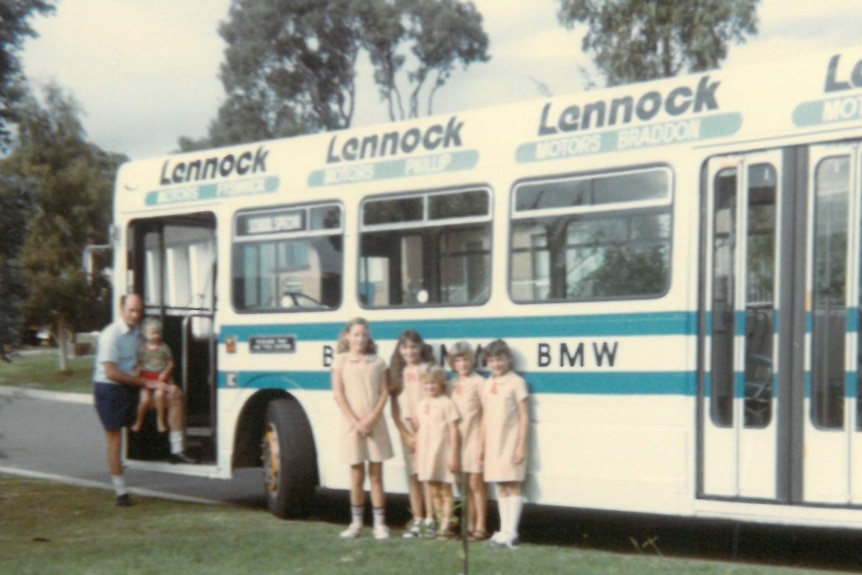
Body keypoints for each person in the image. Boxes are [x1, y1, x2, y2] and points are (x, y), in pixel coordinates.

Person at [92, 294, 193, 507]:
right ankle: (120, 491)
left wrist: (169, 383)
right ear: (121, 309)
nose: (135, 315)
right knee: (115, 439)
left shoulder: (141, 333)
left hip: (135, 385)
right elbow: (111, 373)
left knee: (175, 397)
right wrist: (145, 383)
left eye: (138, 311)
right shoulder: (111, 335)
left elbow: (156, 362)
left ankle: (176, 450)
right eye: (131, 311)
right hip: (110, 389)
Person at [331, 317, 393, 540]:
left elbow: (384, 393)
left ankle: (380, 524)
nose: (360, 339)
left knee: (376, 474)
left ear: (369, 337)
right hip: (352, 426)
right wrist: (356, 422)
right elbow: (339, 394)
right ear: (347, 336)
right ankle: (356, 523)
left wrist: (370, 420)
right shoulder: (340, 361)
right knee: (356, 474)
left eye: (364, 334)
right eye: (356, 334)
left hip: (375, 424)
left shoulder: (379, 362)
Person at [481, 339, 530, 549]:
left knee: (513, 483)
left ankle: (512, 531)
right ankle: (503, 530)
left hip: (510, 440)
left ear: (508, 359)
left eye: (500, 359)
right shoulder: (487, 383)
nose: (496, 364)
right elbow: (484, 416)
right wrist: (482, 445)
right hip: (494, 442)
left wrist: (521, 446)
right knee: (501, 484)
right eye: (492, 360)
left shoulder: (516, 382)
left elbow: (524, 416)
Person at [388, 329, 435, 538]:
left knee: (429, 475)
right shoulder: (397, 373)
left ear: (421, 348)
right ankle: (417, 518)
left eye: (414, 346)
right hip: (407, 433)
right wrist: (405, 434)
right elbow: (395, 410)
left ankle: (431, 519)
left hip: (428, 429)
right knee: (413, 476)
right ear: (400, 349)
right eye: (405, 347)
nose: (410, 351)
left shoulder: (428, 370)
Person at [415, 365, 460, 540]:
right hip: (427, 453)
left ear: (441, 384)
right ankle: (440, 520)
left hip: (443, 452)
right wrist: (418, 456)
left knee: (445, 489)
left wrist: (454, 455)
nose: (430, 387)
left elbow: (454, 430)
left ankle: (446, 525)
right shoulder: (421, 404)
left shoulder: (446, 403)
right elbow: (420, 431)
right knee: (433, 489)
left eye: (433, 383)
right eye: (426, 384)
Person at [449, 341, 488, 541]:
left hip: (474, 438)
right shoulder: (452, 384)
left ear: (472, 360)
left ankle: (481, 526)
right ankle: (469, 525)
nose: (462, 364)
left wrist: (482, 445)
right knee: (462, 485)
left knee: (475, 484)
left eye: (465, 359)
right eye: (458, 360)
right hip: (457, 441)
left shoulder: (479, 382)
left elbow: (486, 414)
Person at [131, 317, 174, 433]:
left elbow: (170, 363)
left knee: (159, 395)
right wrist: (136, 375)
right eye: (152, 333)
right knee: (144, 400)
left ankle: (160, 420)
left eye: (158, 333)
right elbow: (140, 364)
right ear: (145, 334)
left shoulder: (164, 348)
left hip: (159, 378)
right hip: (146, 379)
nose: (156, 335)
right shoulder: (142, 349)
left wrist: (165, 373)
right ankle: (138, 421)